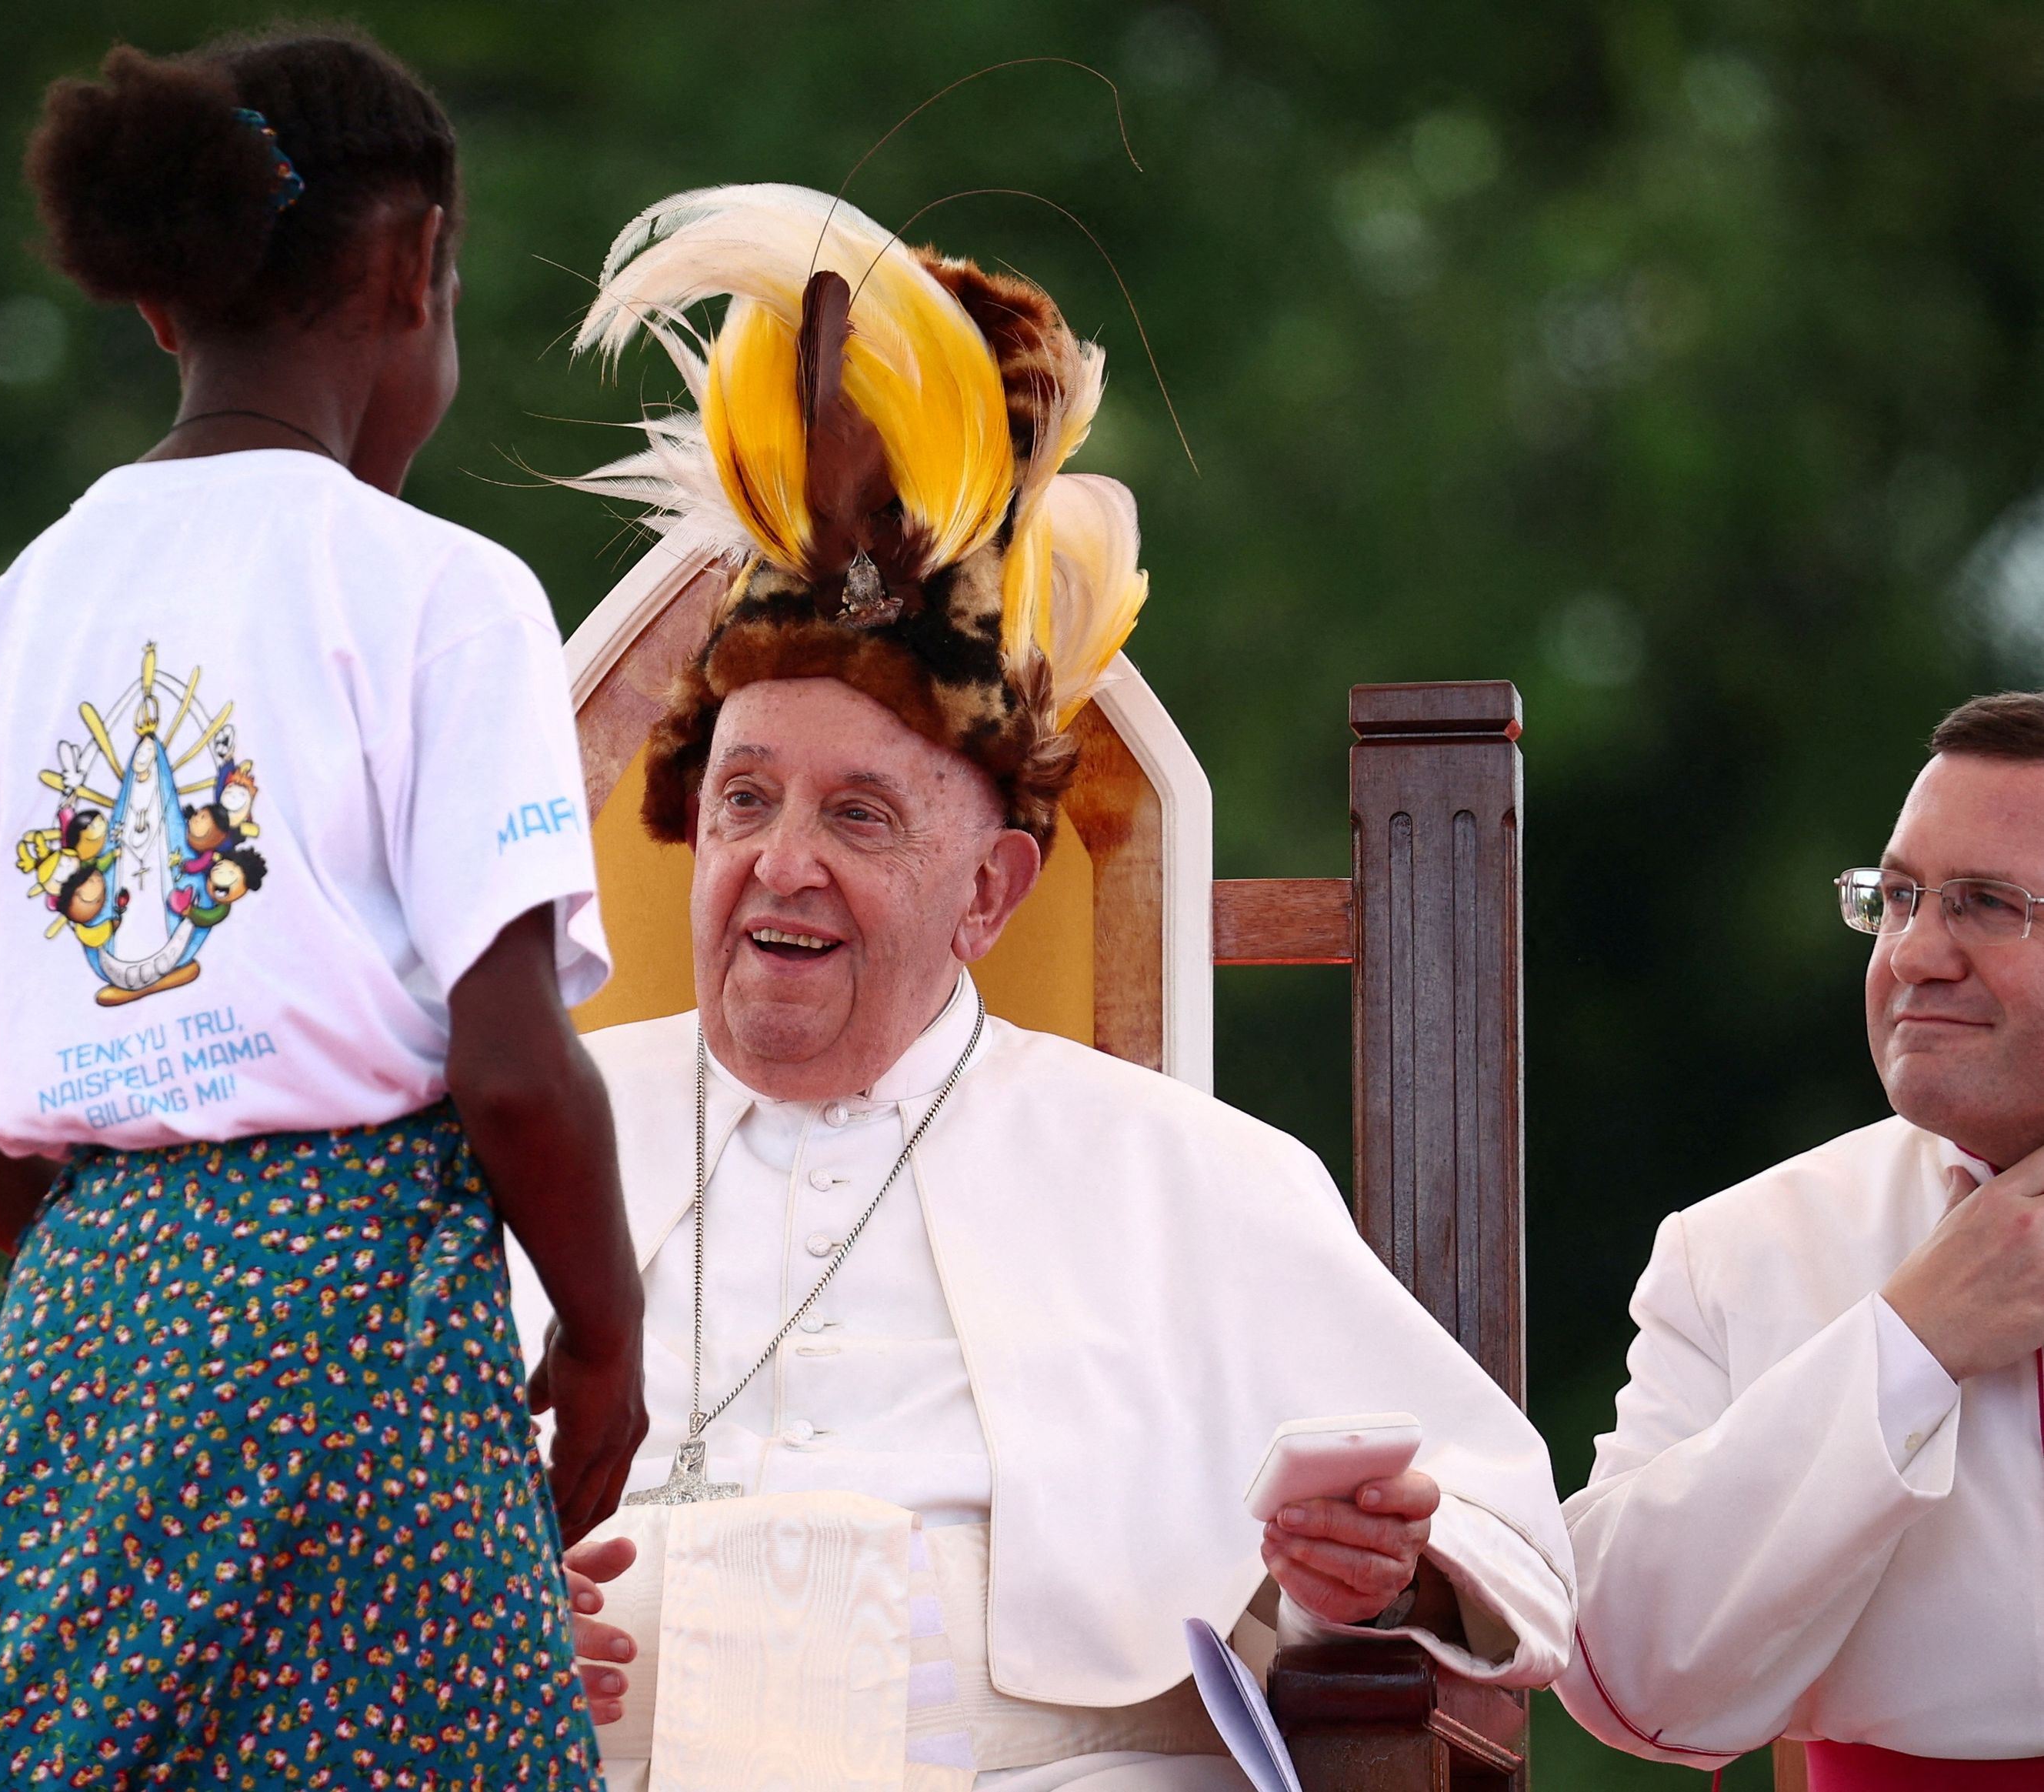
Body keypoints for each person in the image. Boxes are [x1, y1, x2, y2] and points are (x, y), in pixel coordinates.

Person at [512, 184, 1574, 1791]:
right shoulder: (507, 1150)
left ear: (991, 891)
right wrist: (465, 1615)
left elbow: (1501, 1531)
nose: (781, 862)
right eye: (744, 800)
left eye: (857, 816)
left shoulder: (1184, 1175)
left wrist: (1380, 1570)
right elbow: (316, 1519)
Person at [0, 28, 645, 1789]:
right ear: (413, 266)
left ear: (159, 307)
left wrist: (155, 1264)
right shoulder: (442, 590)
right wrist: (601, 1339)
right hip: (371, 1332)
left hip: (79, 1339)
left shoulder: (20, 606)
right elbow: (514, 1069)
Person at [1556, 692, 2044, 1787]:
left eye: (1985, 904)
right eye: (1902, 898)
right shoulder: (1738, 1252)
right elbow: (1620, 1671)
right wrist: (1909, 1345)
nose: (1916, 953)